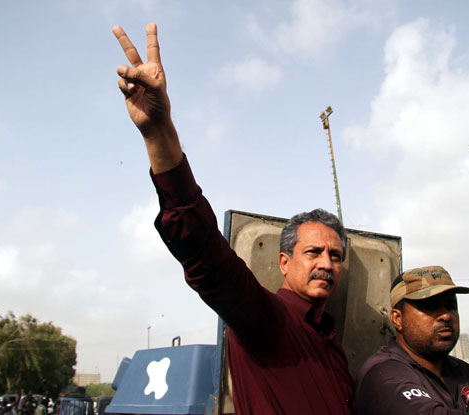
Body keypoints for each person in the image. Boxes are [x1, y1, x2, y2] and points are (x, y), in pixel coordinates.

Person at [113, 23, 354, 414]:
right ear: (284, 261)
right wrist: (159, 134)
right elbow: (208, 258)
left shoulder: (332, 344)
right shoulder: (268, 321)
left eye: (336, 255)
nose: (327, 263)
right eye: (314, 252)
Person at [355, 265, 469, 415]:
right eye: (430, 307)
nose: (445, 315)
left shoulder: (463, 373)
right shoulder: (383, 374)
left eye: (451, 306)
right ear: (397, 319)